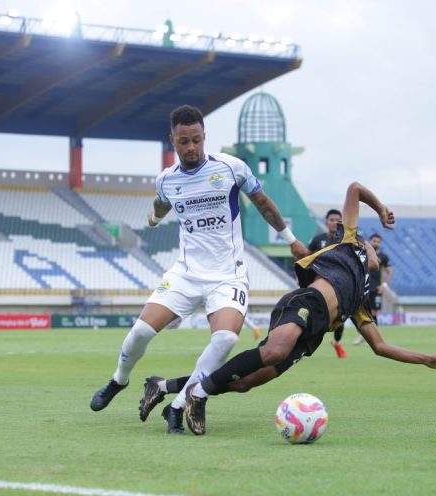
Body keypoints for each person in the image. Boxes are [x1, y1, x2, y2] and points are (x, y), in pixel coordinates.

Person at [142, 181, 436, 435]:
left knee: (244, 382)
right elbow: (355, 189)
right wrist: (381, 208)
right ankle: (198, 396)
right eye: (373, 247)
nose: (377, 252)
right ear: (362, 243)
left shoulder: (360, 300)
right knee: (274, 351)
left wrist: (425, 359)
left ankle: (161, 386)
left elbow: (380, 346)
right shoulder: (349, 244)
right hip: (304, 303)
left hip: (311, 338)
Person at [90, 105, 308, 434]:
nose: (190, 147)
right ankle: (119, 380)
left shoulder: (230, 168)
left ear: (204, 136)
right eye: (183, 141)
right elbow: (163, 202)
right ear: (172, 141)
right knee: (140, 332)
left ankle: (179, 405)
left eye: (195, 140)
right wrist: (154, 217)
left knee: (223, 339)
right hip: (185, 274)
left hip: (227, 274)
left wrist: (291, 240)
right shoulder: (166, 179)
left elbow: (263, 202)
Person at [308, 208, 347, 358]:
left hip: (339, 284)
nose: (335, 223)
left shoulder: (345, 241)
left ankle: (336, 343)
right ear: (327, 222)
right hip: (318, 282)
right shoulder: (318, 240)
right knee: (311, 315)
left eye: (338, 220)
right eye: (332, 220)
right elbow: (307, 256)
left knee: (341, 317)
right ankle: (302, 346)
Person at [353, 233, 396, 345]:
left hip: (376, 288)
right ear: (370, 241)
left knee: (374, 312)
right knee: (363, 311)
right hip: (363, 286)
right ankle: (364, 335)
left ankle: (372, 338)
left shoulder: (383, 257)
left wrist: (384, 285)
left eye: (378, 241)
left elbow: (390, 272)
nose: (376, 243)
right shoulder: (363, 253)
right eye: (374, 241)